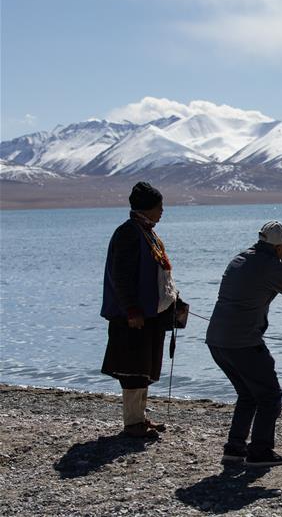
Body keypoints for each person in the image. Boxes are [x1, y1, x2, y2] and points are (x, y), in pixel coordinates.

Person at [206, 221, 282, 468]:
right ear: (280, 247)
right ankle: (259, 451)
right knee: (270, 396)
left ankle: (234, 449)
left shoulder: (241, 259)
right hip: (243, 342)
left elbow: (269, 281)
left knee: (248, 394)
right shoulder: (268, 266)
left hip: (217, 341)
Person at [101, 181, 187, 438]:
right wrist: (131, 310)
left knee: (144, 368)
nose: (162, 211)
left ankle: (139, 418)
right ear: (147, 208)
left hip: (149, 314)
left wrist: (175, 300)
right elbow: (121, 277)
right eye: (159, 206)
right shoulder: (128, 233)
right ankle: (132, 423)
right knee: (133, 370)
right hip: (133, 317)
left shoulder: (146, 232)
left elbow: (160, 275)